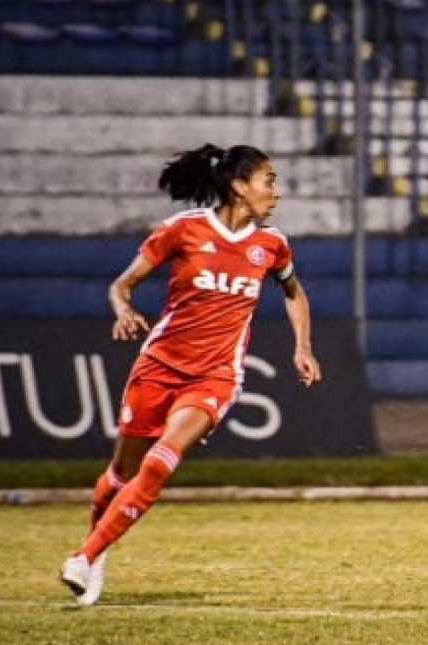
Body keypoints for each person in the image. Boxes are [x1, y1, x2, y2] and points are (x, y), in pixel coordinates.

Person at [60, 143, 322, 605]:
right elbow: (122, 283)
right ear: (240, 186)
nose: (276, 192)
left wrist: (302, 347)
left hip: (216, 375)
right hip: (159, 366)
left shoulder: (272, 245)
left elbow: (294, 293)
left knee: (163, 459)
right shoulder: (183, 230)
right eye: (269, 180)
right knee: (123, 471)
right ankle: (98, 548)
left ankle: (85, 555)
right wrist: (122, 309)